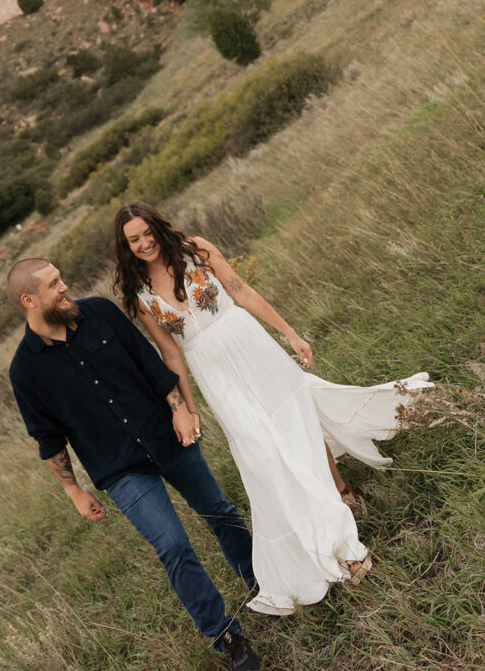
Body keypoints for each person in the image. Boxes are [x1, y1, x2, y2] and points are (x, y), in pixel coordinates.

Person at [113, 202, 432, 617]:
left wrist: (290, 334)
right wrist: (188, 410)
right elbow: (171, 354)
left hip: (249, 344)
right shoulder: (139, 296)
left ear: (157, 226)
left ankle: (339, 511)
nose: (144, 243)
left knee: (295, 422)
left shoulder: (196, 250)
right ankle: (323, 520)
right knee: (261, 452)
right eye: (133, 240)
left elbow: (240, 291)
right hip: (213, 372)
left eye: (146, 232)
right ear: (125, 246)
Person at [6, 257, 264, 671]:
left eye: (61, 277)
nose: (65, 286)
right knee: (173, 547)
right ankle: (229, 640)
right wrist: (73, 491)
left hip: (168, 436)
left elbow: (149, 363)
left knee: (218, 510)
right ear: (30, 300)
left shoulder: (100, 313)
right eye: (54, 284)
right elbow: (49, 439)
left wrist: (180, 409)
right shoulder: (24, 371)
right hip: (121, 470)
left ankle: (262, 582)